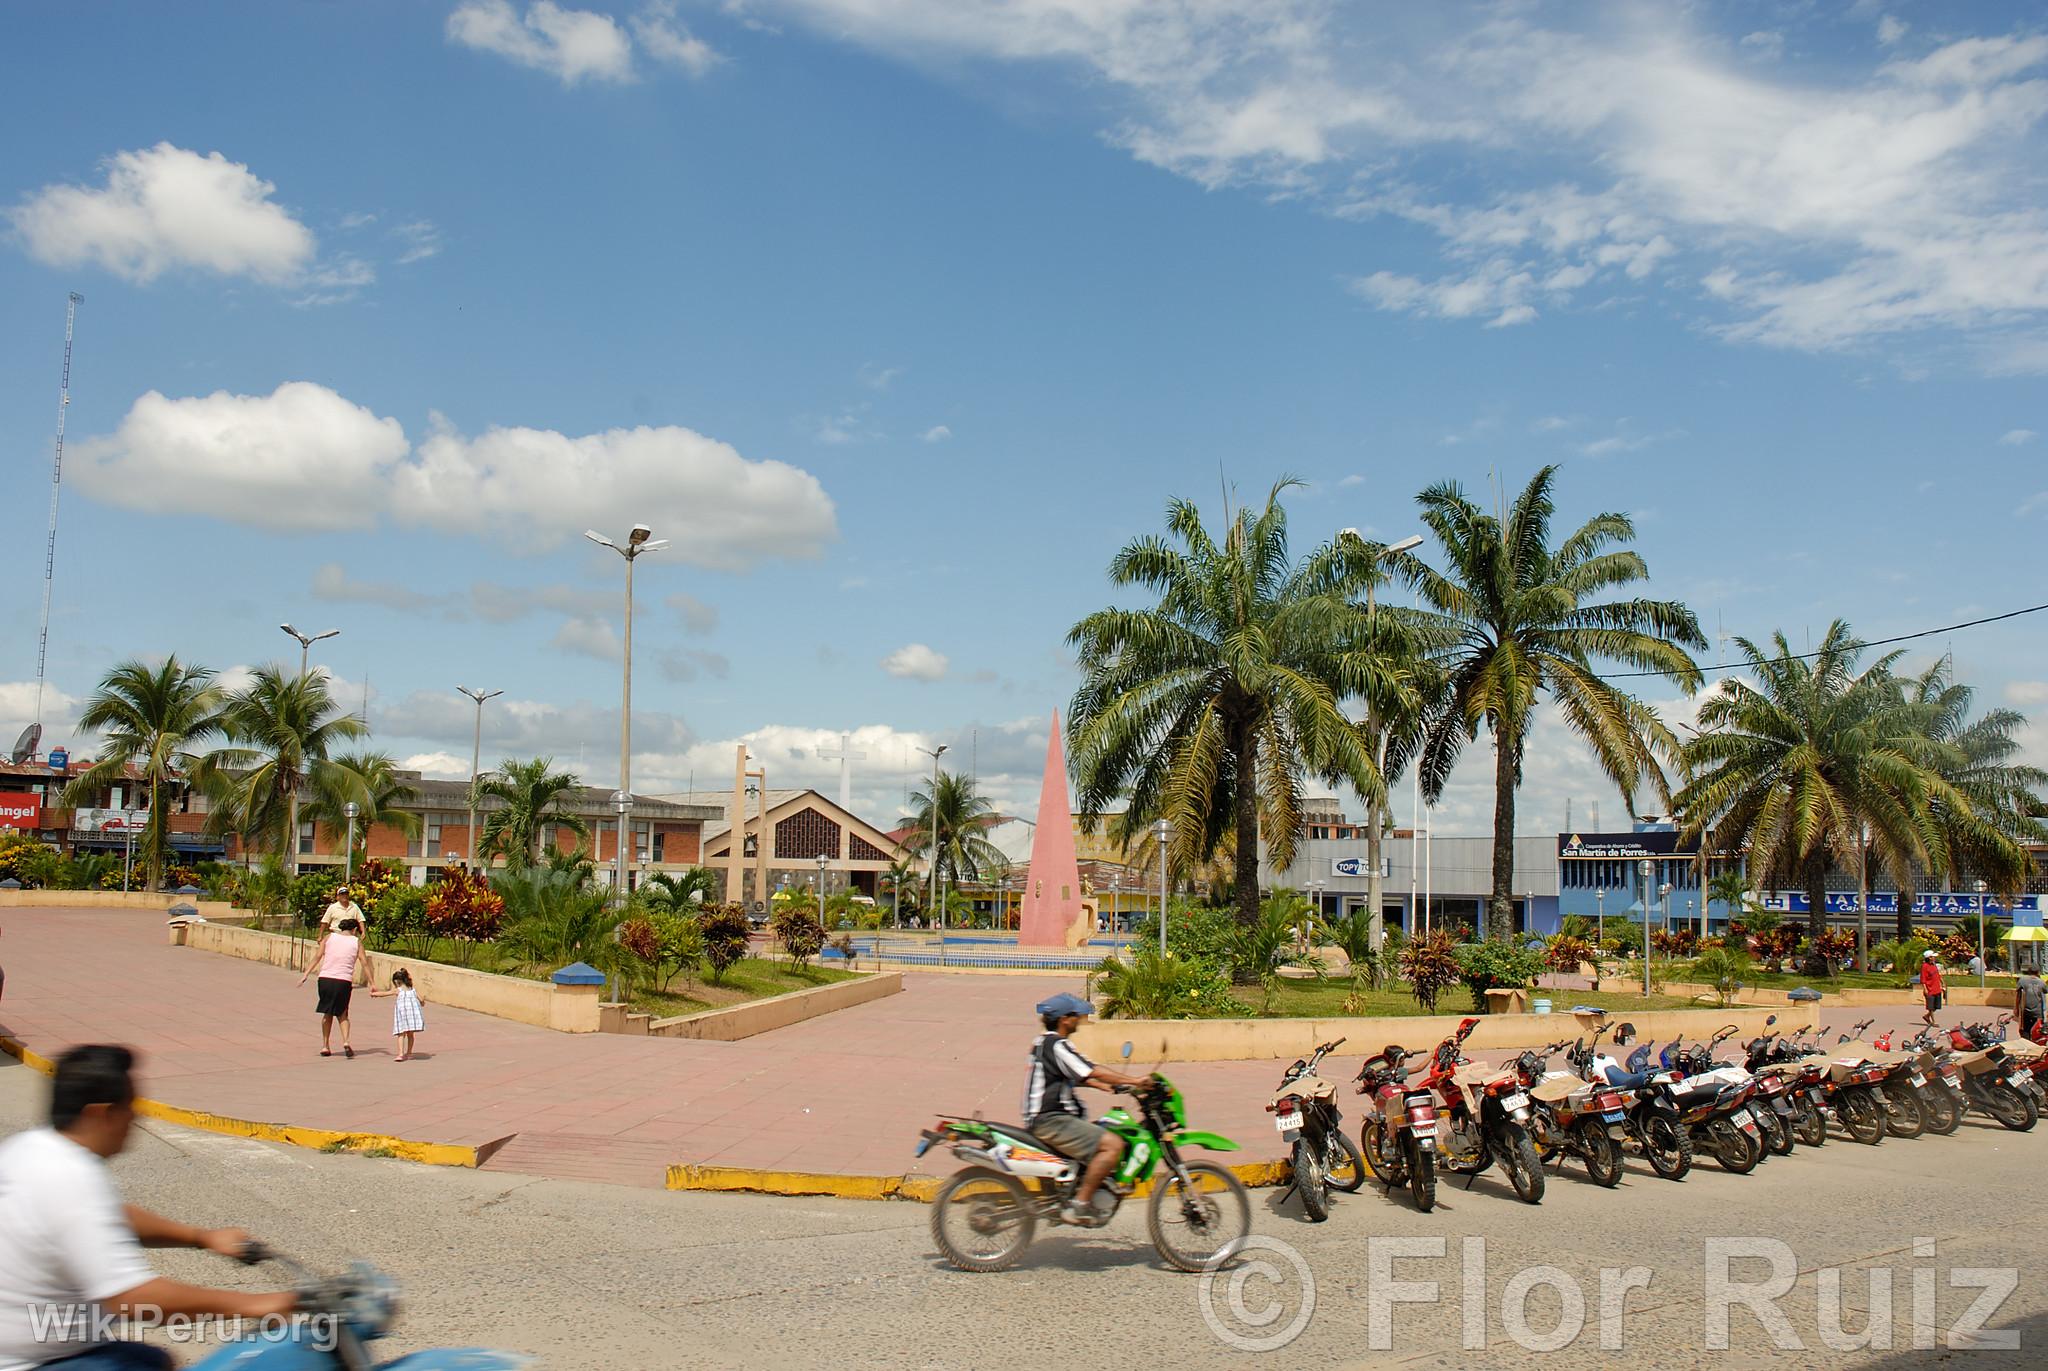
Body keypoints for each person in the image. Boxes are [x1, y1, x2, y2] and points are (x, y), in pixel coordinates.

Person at [0, 1045, 296, 1370]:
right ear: (99, 1113)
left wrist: (202, 1237)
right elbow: (130, 1299)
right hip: (36, 1362)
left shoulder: (32, 1149)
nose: (135, 1118)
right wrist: (257, 1304)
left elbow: (105, 1217)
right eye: (128, 1107)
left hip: (36, 1352)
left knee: (152, 1360)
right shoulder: (71, 1177)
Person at [1020, 993, 1151, 1227]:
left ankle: (1073, 1192)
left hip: (1044, 1119)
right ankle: (1080, 1204)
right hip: (1053, 1120)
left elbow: (1075, 1075)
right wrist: (1136, 1081)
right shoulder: (1058, 1045)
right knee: (1113, 1144)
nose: (1079, 1019)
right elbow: (1090, 1070)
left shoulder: (1042, 1042)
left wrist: (1108, 1086)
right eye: (1075, 1016)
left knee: (1100, 1133)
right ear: (1064, 1020)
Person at [298, 917, 363, 1058]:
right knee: (343, 1013)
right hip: (343, 981)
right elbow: (364, 961)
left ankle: (325, 1045)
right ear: (355, 929)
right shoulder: (356, 942)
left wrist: (306, 974)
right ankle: (346, 1041)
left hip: (325, 979)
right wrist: (372, 983)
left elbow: (318, 956)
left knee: (327, 1013)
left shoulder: (329, 938)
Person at [368, 967, 425, 1062]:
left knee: (401, 1034)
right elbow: (421, 999)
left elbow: (385, 993)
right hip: (412, 1016)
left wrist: (375, 994)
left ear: (397, 981)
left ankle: (401, 1054)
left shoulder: (398, 990)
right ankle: (409, 1053)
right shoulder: (412, 990)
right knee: (410, 1034)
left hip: (402, 1015)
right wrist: (422, 1002)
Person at [2016, 964, 2046, 1042]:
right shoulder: (2041, 982)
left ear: (2028, 971)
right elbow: (2045, 991)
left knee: (2025, 1030)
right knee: (2038, 1031)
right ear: (2038, 972)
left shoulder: (2022, 980)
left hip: (2025, 1011)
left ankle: (2027, 1045)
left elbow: (2018, 996)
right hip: (2038, 1013)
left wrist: (2016, 1009)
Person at [1919, 950, 1945, 1025]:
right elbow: (1923, 979)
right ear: (1929, 958)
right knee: (1931, 1007)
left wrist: (1942, 983)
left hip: (1937, 988)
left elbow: (1938, 975)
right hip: (1929, 989)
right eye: (1933, 957)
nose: (1934, 958)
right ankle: (1933, 1022)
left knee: (1937, 1006)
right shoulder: (1924, 966)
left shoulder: (1934, 965)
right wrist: (1925, 989)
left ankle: (1927, 1016)